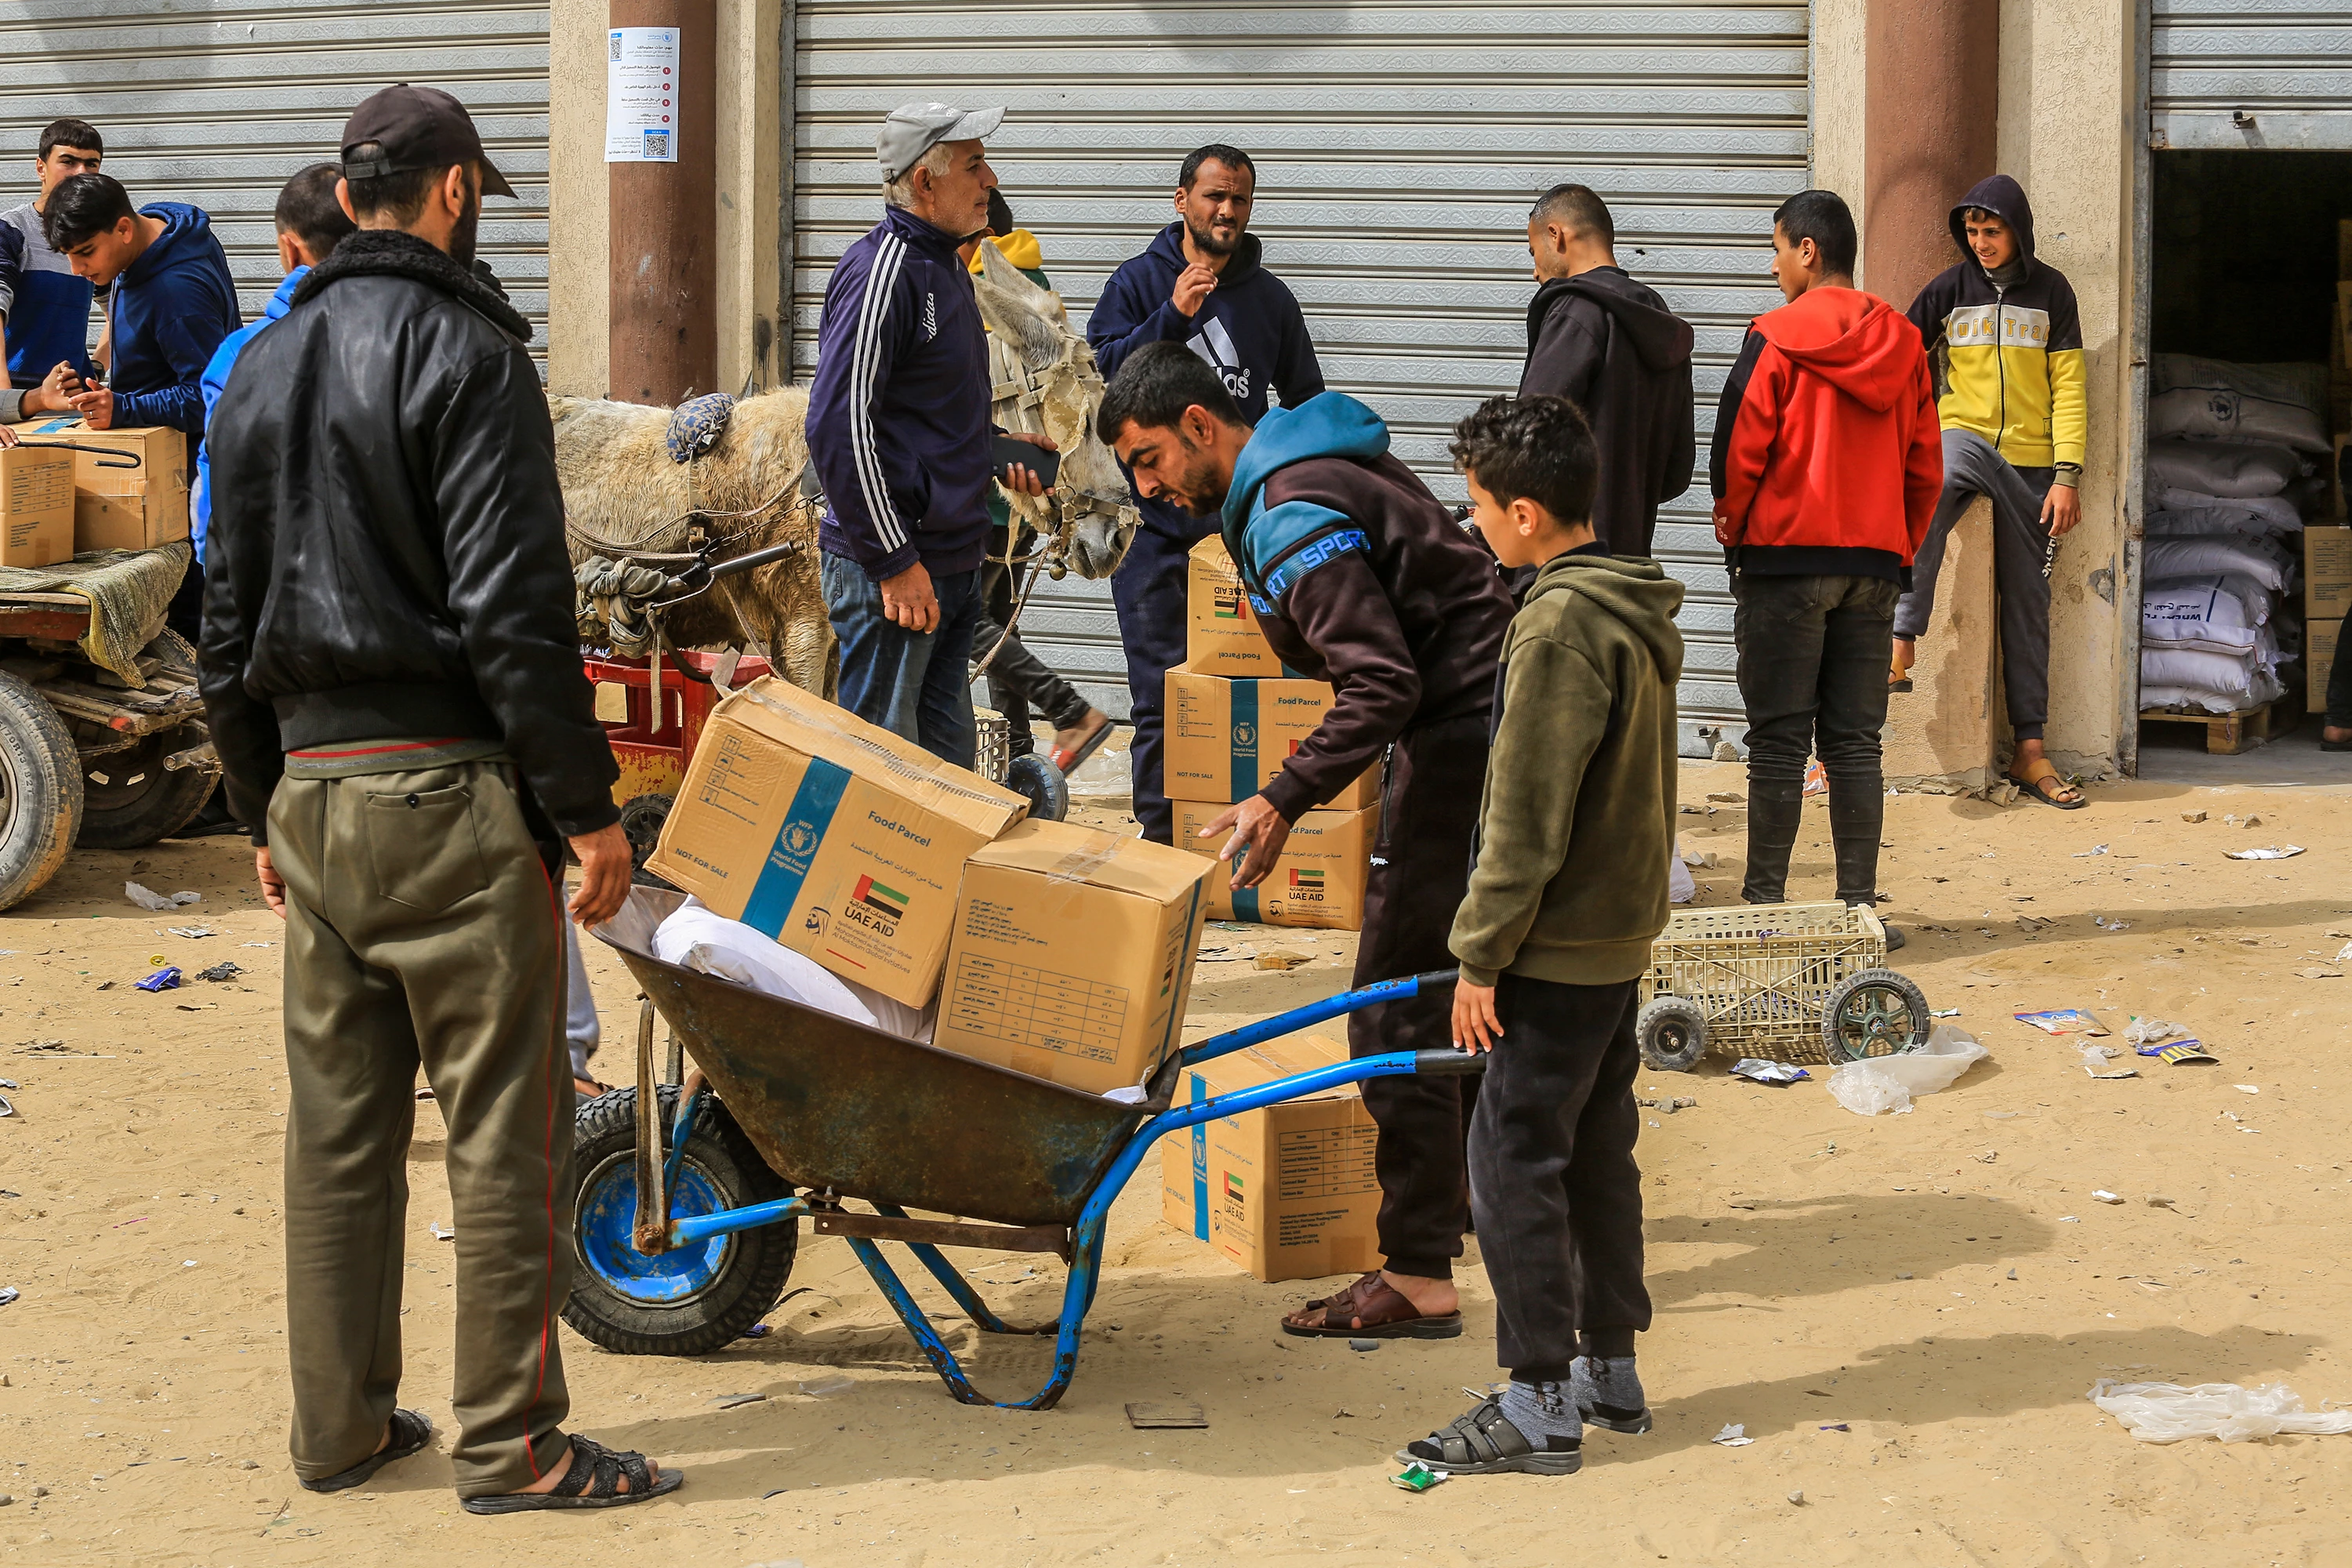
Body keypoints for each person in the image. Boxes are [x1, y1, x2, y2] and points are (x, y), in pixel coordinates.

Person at [199, 83, 674, 1513]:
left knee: (336, 1139)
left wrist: (261, 805)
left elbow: (221, 617)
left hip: (318, 796)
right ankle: (514, 1445)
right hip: (451, 798)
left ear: (347, 201)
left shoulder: (261, 368)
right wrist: (584, 810)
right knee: (504, 1128)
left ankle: (337, 1433)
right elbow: (515, 616)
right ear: (455, 194)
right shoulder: (473, 358)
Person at [1098, 342, 1512, 1337]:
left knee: (1393, 1009)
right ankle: (1466, 1204)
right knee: (1467, 989)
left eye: (1151, 459)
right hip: (1497, 719)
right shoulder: (1315, 463)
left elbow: (1384, 679)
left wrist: (1280, 798)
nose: (1151, 489)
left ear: (1202, 425)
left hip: (1466, 735)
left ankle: (1417, 1273)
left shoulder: (1286, 513)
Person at [1396, 394, 1680, 1477]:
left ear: (1524, 513)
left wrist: (1479, 955)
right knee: (1597, 1154)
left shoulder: (1558, 625)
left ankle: (1536, 1401)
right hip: (1614, 940)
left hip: (1554, 950)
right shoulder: (1631, 603)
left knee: (1510, 1154)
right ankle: (1611, 1372)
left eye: (1476, 511)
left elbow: (1524, 815)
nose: (1471, 530)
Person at [1710, 190, 1940, 942]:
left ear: (1808, 250)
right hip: (1873, 566)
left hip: (1784, 563)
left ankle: (1766, 911)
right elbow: (1924, 467)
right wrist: (1895, 547)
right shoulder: (1906, 343)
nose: (1774, 266)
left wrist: (1734, 536)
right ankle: (1858, 911)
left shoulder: (1774, 338)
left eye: (1777, 249)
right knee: (1855, 742)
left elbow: (1738, 452)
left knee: (1778, 741)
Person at [805, 102, 1053, 768]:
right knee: (882, 777)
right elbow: (838, 423)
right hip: (898, 571)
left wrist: (1000, 448)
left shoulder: (943, 266)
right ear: (925, 182)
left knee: (947, 779)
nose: (991, 179)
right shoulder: (883, 273)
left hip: (950, 562)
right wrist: (892, 561)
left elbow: (924, 415)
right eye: (975, 166)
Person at [1088, 144, 1323, 844]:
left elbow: (1306, 397)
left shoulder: (1271, 298)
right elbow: (1103, 378)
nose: (1226, 211)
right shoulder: (1136, 282)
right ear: (1181, 200)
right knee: (1161, 695)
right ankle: (1164, 845)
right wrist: (1172, 315)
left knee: (1259, 692)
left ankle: (1250, 835)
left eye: (1239, 200)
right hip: (1152, 529)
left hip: (1243, 533)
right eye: (1214, 196)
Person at [1896, 175, 2088, 809]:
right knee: (1935, 478)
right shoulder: (1950, 291)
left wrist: (2066, 476)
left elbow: (2070, 388)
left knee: (2028, 605)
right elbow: (1897, 356)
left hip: (2031, 473)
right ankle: (1901, 639)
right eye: (1973, 232)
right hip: (1964, 441)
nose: (1981, 243)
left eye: (1992, 231)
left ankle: (2029, 751)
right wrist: (1918, 425)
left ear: (2017, 230)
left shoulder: (2053, 292)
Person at [45, 170, 240, 641]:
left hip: (184, 480)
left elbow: (209, 397)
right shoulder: (155, 232)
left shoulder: (177, 291)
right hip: (154, 463)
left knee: (184, 617)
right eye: (70, 256)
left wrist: (126, 407)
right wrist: (104, 382)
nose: (78, 271)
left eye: (86, 253)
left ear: (124, 229)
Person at [965, 187, 1112, 772]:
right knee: (997, 617)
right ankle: (1019, 754)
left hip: (982, 485)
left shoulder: (979, 291)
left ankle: (1068, 709)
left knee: (964, 623)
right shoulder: (1036, 282)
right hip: (1023, 498)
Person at [1517, 183, 1695, 557]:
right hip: (1630, 566)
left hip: (1562, 564)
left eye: (1534, 253)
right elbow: (1677, 472)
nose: (1535, 272)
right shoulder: (1660, 320)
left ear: (1556, 234)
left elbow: (1527, 436)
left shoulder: (1576, 311)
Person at [194, 163, 354, 571]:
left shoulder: (239, 355)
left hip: (281, 592)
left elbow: (216, 499)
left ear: (290, 248)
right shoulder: (416, 334)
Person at [0, 118, 104, 428]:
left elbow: (120, 310)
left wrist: (95, 368)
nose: (81, 173)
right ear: (41, 168)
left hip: (71, 410)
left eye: (91, 164)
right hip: (17, 407)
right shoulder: (12, 231)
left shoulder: (98, 237)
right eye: (68, 162)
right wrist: (5, 406)